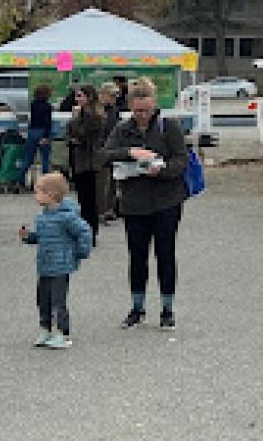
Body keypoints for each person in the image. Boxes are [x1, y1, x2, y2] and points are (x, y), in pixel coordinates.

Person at [102, 78, 188, 329]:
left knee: (166, 254)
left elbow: (181, 161)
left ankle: (167, 308)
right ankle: (137, 307)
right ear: (129, 106)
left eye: (147, 110)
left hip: (166, 200)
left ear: (154, 105)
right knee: (137, 256)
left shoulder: (168, 127)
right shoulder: (122, 128)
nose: (142, 116)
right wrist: (130, 153)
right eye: (138, 111)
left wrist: (160, 170)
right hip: (134, 201)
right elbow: (104, 155)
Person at [18, 172, 92, 349]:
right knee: (43, 299)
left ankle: (62, 333)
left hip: (61, 266)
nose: (35, 196)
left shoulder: (67, 217)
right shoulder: (43, 217)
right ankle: (45, 328)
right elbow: (41, 237)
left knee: (58, 301)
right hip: (44, 265)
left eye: (38, 192)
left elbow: (84, 232)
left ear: (50, 194)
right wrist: (28, 237)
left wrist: (81, 252)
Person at [66, 85, 106, 246]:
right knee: (84, 199)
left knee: (89, 200)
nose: (77, 99)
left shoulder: (93, 115)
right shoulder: (86, 114)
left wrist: (75, 121)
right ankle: (86, 231)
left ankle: (90, 232)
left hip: (89, 161)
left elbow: (83, 134)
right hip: (80, 159)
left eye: (80, 96)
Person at [19, 83, 54, 186]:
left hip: (32, 131)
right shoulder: (48, 106)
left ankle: (20, 180)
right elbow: (47, 122)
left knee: (28, 158)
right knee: (45, 159)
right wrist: (46, 136)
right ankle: (45, 182)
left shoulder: (33, 104)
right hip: (42, 131)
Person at [98, 82, 122, 224]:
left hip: (114, 148)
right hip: (101, 149)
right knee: (102, 183)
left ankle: (110, 209)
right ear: (103, 95)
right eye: (112, 95)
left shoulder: (114, 110)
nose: (115, 97)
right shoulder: (98, 110)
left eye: (116, 95)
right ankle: (100, 211)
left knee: (113, 180)